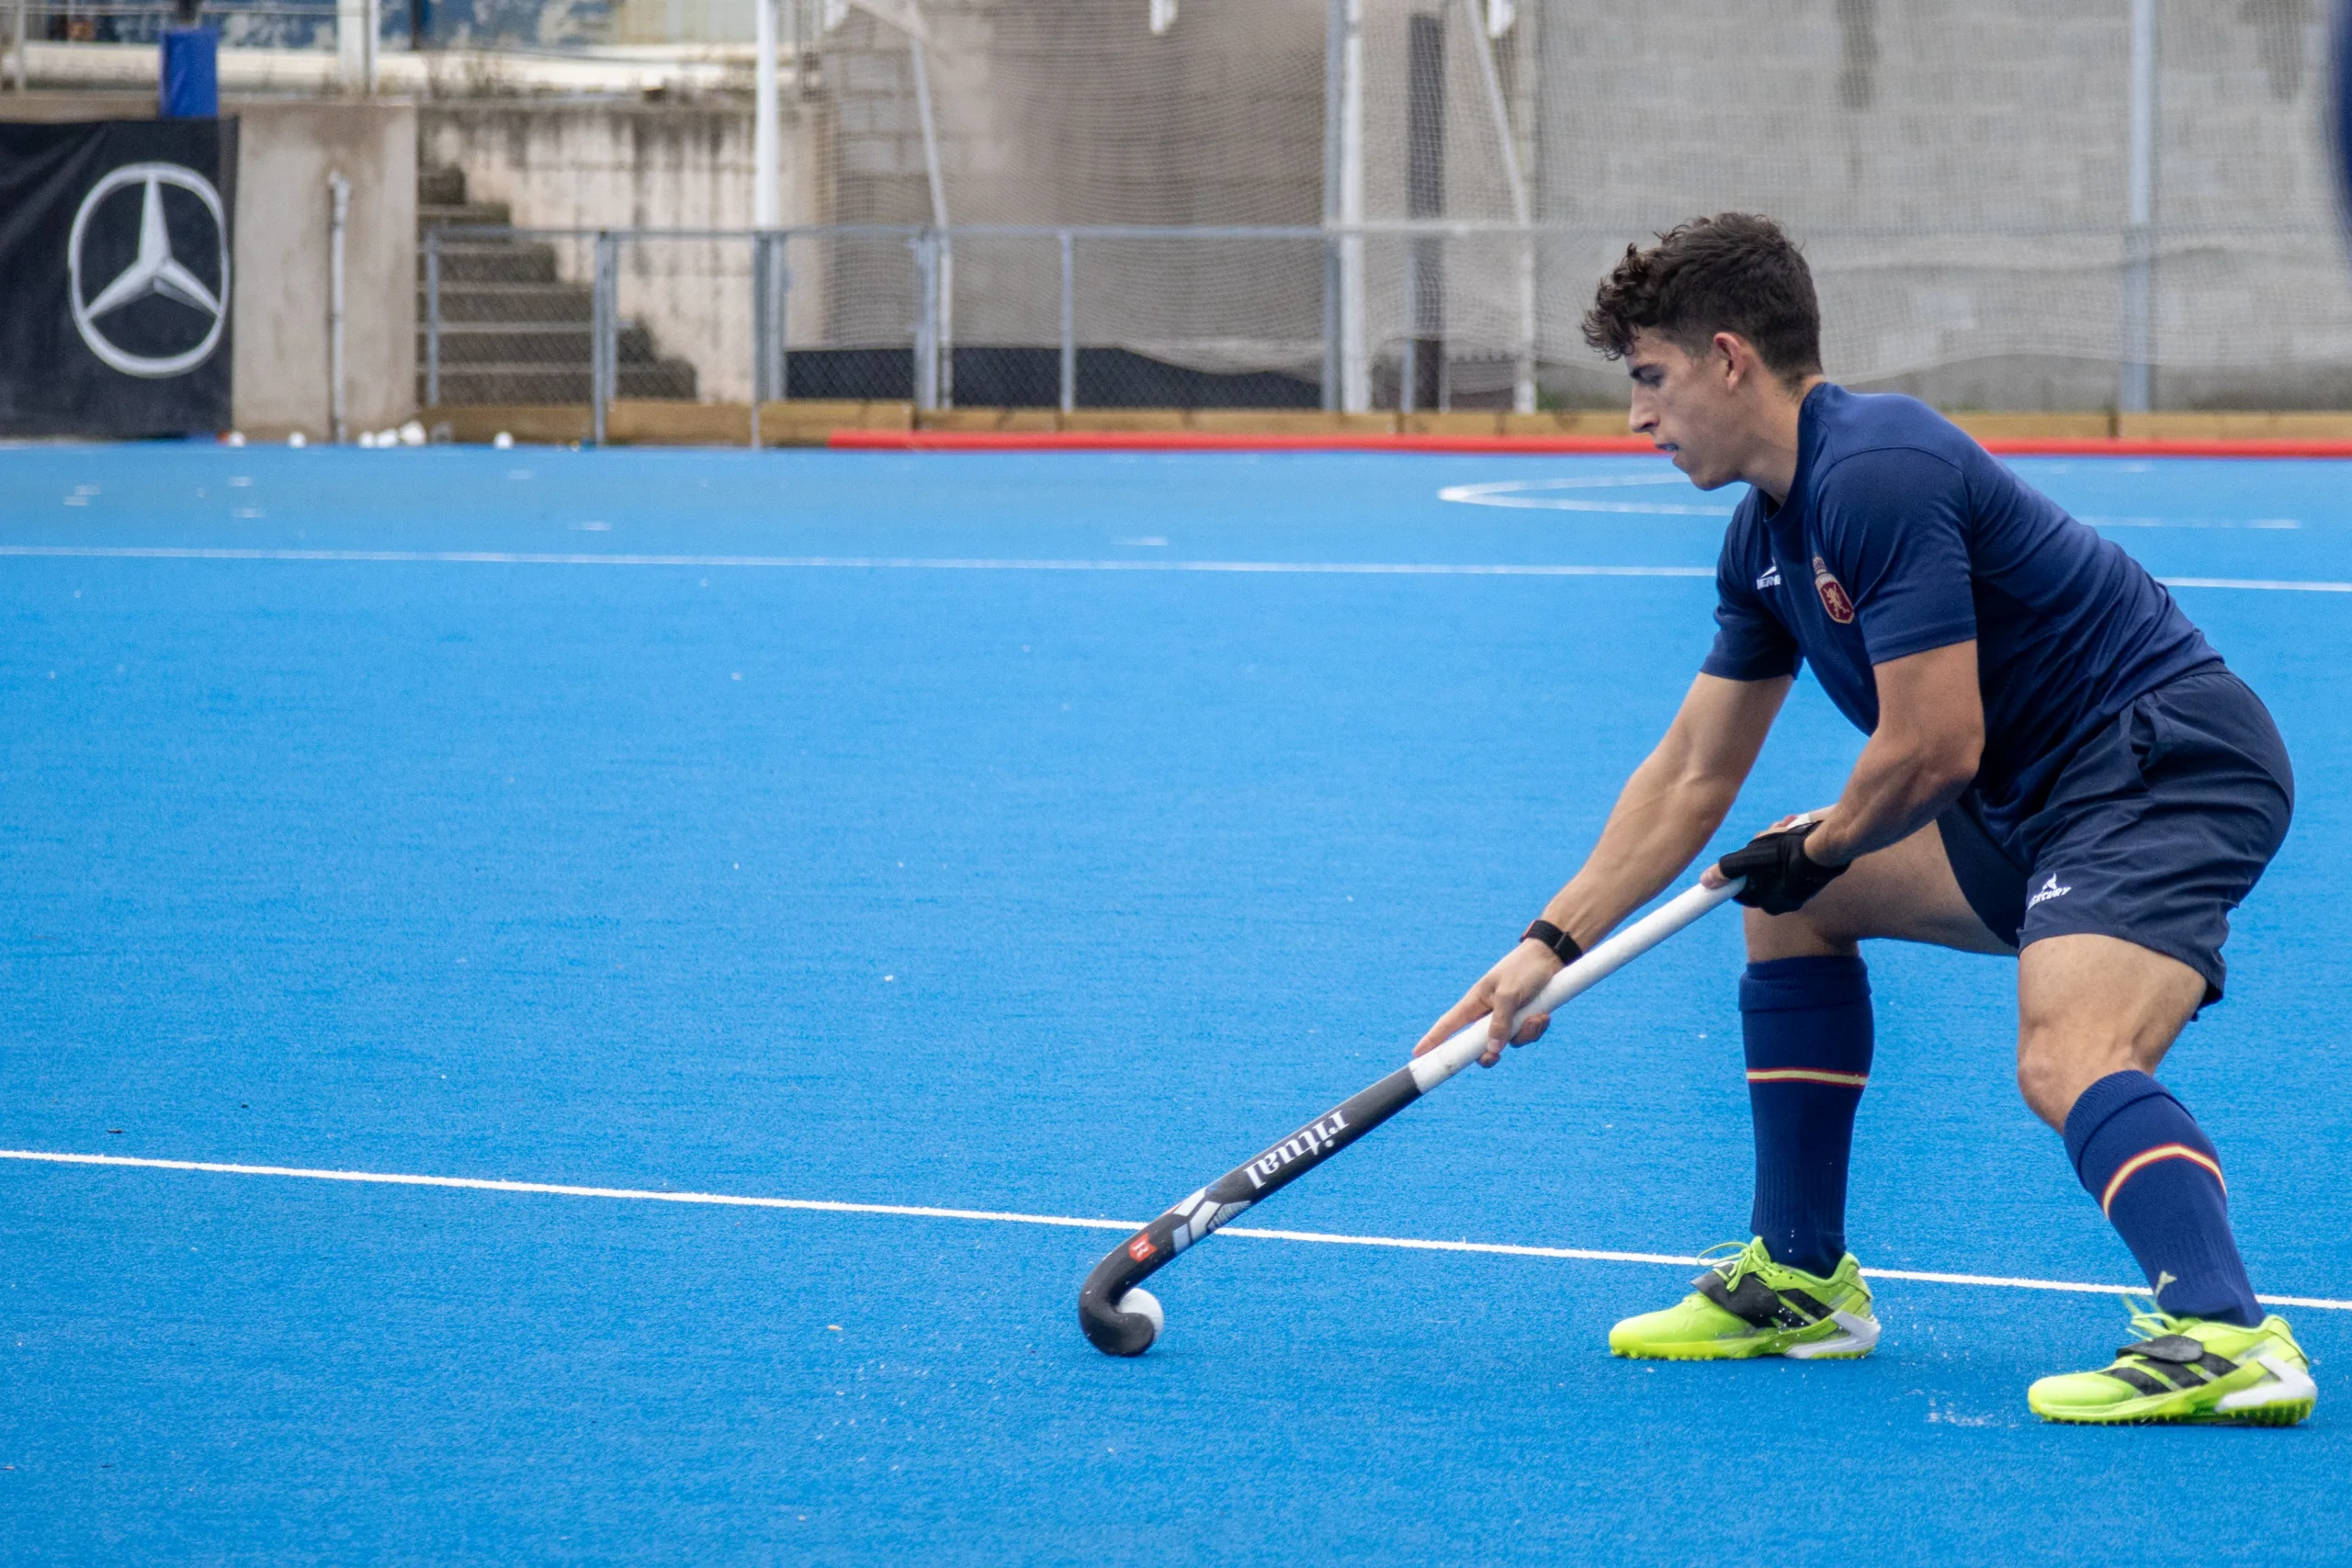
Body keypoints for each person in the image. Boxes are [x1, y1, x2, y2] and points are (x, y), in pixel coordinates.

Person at [1416, 213, 2312, 1426]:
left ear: (1729, 356)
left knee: (2066, 1052)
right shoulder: (1766, 538)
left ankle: (2225, 1332)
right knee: (1785, 897)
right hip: (2032, 798)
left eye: (1649, 378)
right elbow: (1691, 770)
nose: (1637, 419)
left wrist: (1830, 833)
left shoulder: (1877, 467)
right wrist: (1549, 944)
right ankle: (1800, 1276)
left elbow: (1936, 743)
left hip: (2158, 763)